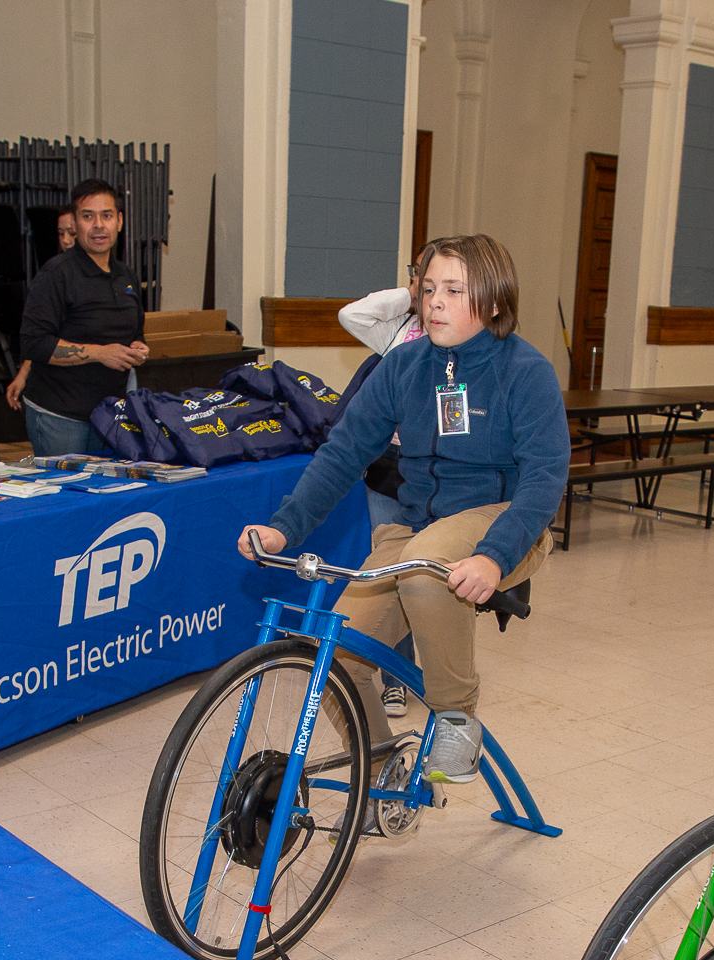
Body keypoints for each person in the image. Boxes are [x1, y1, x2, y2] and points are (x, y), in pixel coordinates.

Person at [238, 234, 569, 784]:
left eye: (454, 290)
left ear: (491, 301)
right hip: (415, 530)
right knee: (337, 654)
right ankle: (382, 773)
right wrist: (283, 529)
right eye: (429, 287)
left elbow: (544, 479)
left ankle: (456, 718)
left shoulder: (524, 371)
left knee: (424, 569)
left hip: (505, 522)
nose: (434, 301)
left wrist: (494, 556)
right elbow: (343, 454)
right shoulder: (403, 366)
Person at [337, 240, 442, 719]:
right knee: (388, 573)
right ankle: (396, 679)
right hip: (387, 470)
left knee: (429, 575)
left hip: (435, 472)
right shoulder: (398, 329)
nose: (426, 286)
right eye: (420, 273)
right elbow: (352, 315)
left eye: (439, 277)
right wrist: (411, 291)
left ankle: (438, 673)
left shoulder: (455, 336)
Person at [11, 180, 148, 458]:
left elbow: (136, 332)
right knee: (67, 498)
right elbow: (34, 344)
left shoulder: (126, 276)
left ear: (119, 221)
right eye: (88, 216)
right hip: (61, 417)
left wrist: (138, 347)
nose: (99, 225)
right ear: (75, 224)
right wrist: (100, 354)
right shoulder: (56, 275)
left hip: (110, 415)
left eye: (106, 216)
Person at [4, 205, 77, 419]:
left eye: (71, 233)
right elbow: (39, 337)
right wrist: (22, 376)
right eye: (60, 233)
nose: (65, 240)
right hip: (60, 385)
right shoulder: (52, 275)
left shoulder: (115, 275)